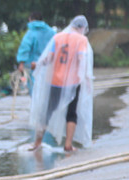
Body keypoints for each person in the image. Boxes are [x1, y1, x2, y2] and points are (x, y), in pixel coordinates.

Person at [29, 14, 94, 154]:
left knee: (47, 111)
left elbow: (49, 58)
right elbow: (82, 60)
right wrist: (86, 78)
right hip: (73, 81)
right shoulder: (82, 40)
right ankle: (68, 145)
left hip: (55, 81)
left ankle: (37, 142)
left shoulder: (57, 37)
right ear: (82, 28)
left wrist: (37, 64)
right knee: (72, 112)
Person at [14, 13, 55, 92]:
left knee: (35, 89)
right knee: (47, 90)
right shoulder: (52, 32)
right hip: (49, 64)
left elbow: (25, 48)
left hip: (33, 65)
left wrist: (21, 63)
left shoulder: (30, 33)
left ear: (31, 20)